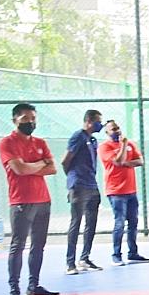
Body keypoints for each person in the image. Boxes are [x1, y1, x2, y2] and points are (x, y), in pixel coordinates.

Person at [0, 102, 60, 295]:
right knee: (18, 246)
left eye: (33, 119)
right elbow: (19, 170)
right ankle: (14, 291)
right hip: (21, 201)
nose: (30, 122)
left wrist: (31, 166)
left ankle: (34, 285)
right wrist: (40, 164)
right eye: (25, 119)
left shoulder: (40, 142)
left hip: (43, 200)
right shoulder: (7, 143)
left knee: (38, 245)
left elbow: (53, 168)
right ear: (15, 120)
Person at [98, 119, 149, 265]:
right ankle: (116, 254)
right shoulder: (104, 147)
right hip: (115, 191)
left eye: (118, 128)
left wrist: (127, 163)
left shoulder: (131, 144)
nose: (117, 131)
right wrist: (124, 146)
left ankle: (133, 253)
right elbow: (118, 161)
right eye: (113, 129)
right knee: (119, 223)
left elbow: (140, 161)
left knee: (133, 222)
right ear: (107, 132)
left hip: (131, 190)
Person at [62, 109, 105, 275]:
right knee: (76, 222)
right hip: (78, 185)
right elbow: (66, 160)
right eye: (97, 121)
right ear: (89, 121)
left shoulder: (93, 140)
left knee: (91, 223)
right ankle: (70, 262)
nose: (99, 125)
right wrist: (73, 179)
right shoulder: (78, 137)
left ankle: (85, 258)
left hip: (92, 185)